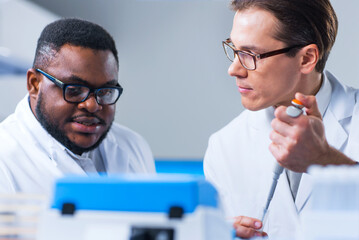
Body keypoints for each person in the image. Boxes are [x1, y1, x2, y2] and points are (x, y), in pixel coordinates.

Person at [203, 0, 359, 239]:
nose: (234, 69)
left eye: (250, 54)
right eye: (234, 50)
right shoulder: (224, 146)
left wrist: (328, 162)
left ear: (307, 59)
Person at [0, 18, 155, 194]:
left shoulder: (134, 146)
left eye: (104, 92)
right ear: (34, 84)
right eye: (74, 90)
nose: (92, 105)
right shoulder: (4, 160)